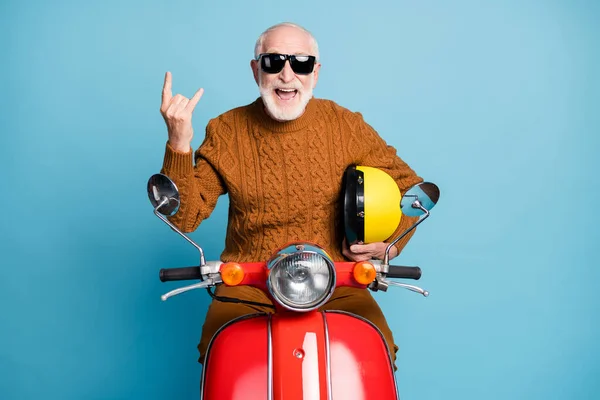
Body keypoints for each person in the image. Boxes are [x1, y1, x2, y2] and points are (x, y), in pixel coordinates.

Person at [159, 22, 423, 368]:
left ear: (314, 72)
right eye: (273, 62)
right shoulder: (226, 131)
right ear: (256, 70)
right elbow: (186, 215)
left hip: (335, 282)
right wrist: (179, 143)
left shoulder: (344, 125)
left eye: (300, 63)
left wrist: (390, 243)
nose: (287, 75)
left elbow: (411, 190)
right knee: (220, 355)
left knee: (375, 351)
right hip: (249, 284)